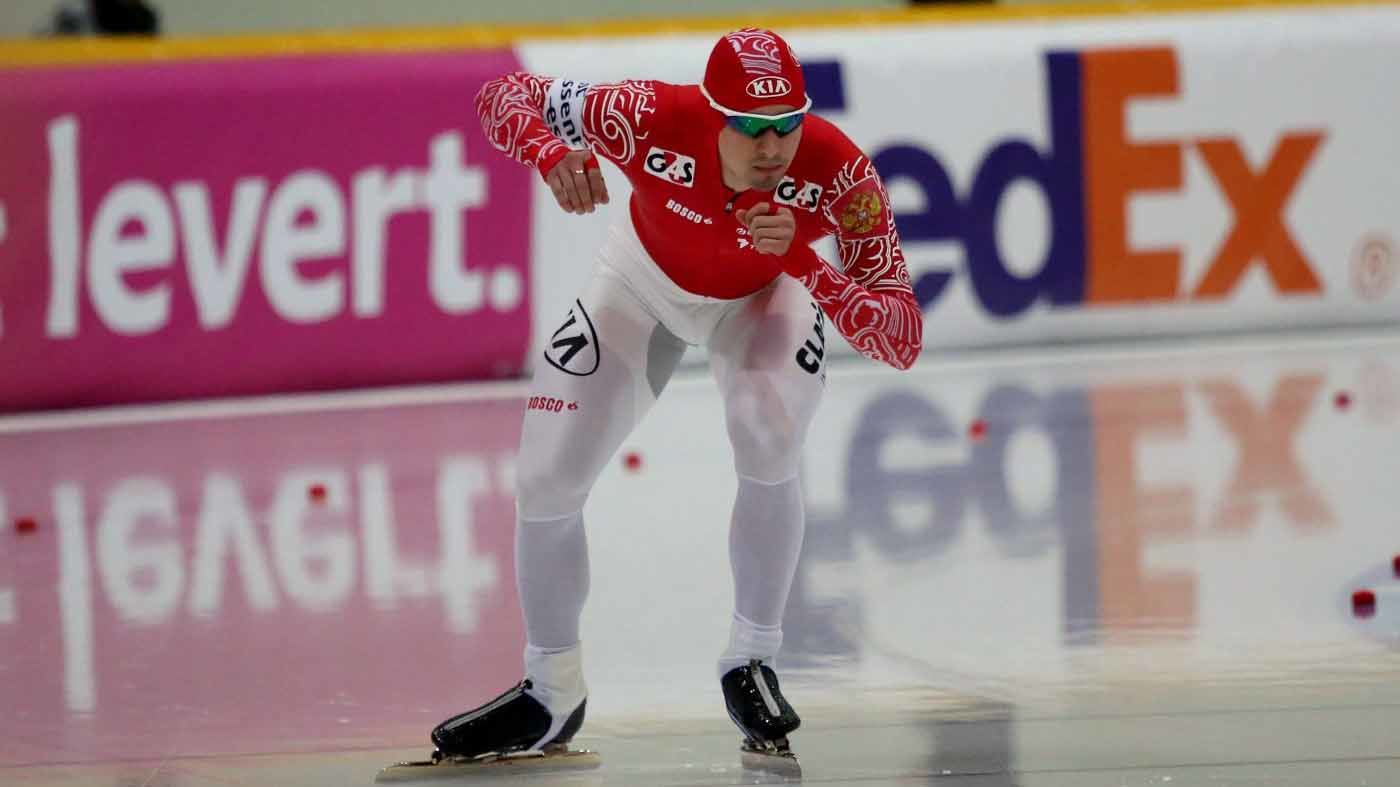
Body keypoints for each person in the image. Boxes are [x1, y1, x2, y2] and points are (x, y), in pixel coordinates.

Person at [431, 28, 923, 762]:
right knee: (544, 475)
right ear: (711, 113)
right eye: (751, 128)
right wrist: (548, 153)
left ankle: (750, 658)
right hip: (641, 284)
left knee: (766, 428)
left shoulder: (840, 175)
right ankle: (550, 689)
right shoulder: (646, 115)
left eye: (787, 125)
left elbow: (903, 336)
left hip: (765, 293)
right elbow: (503, 96)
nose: (771, 147)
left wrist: (802, 261)